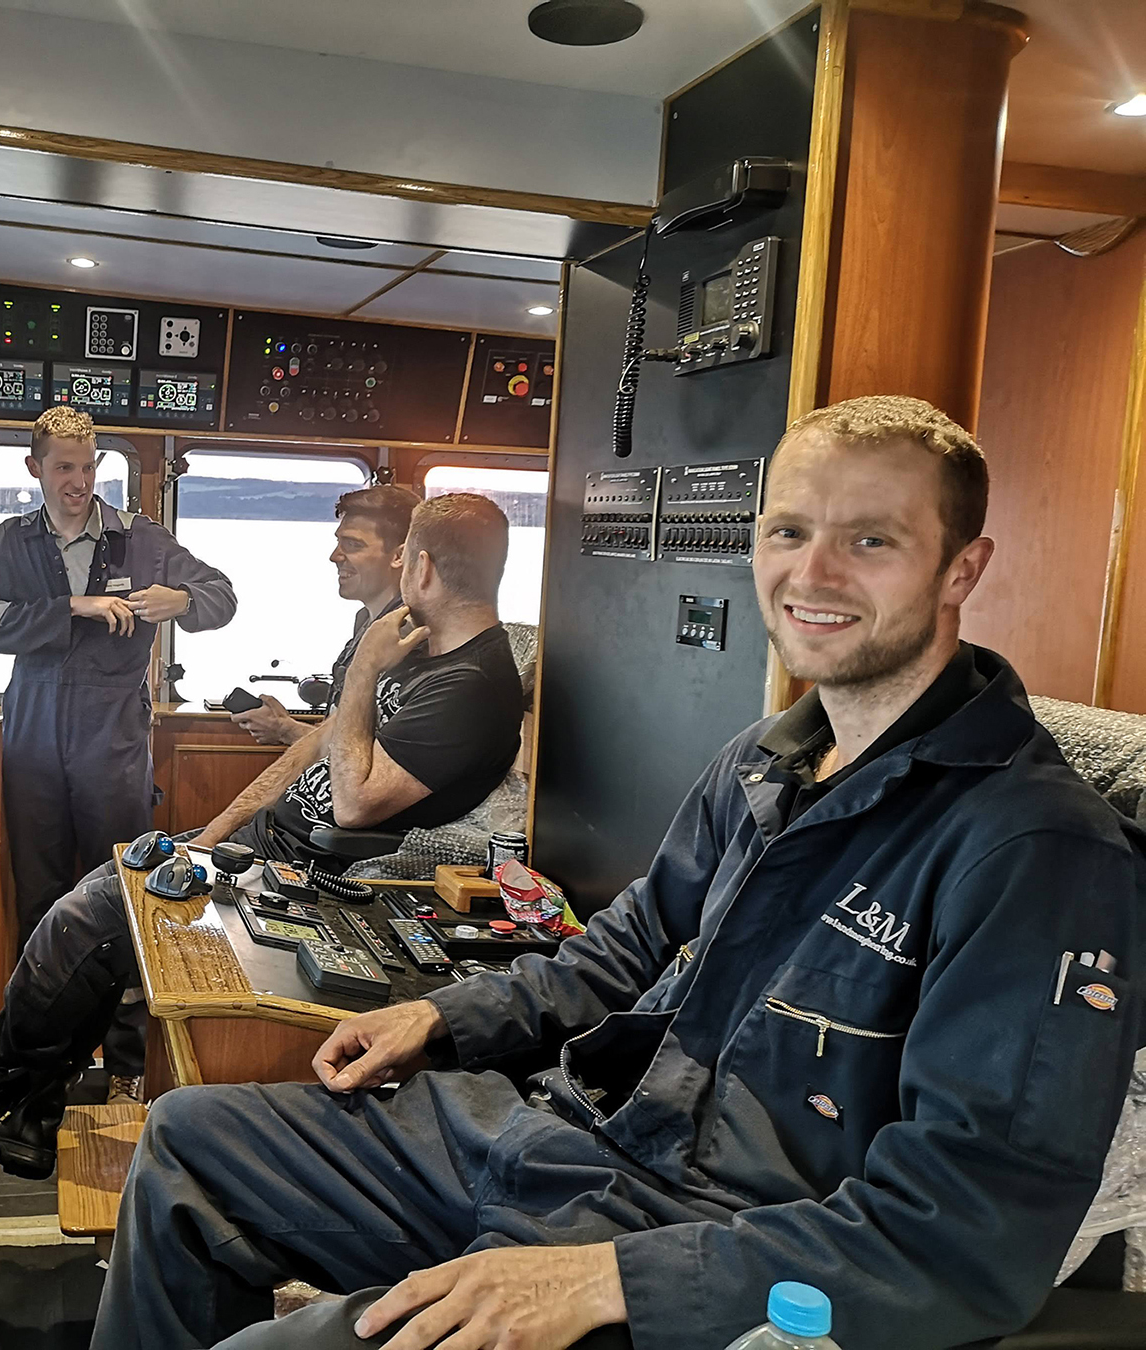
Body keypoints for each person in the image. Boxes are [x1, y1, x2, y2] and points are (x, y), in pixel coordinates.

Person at [89, 395, 1146, 1350]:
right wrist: (448, 1018)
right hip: (577, 1137)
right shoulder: (769, 758)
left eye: (871, 540)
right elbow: (631, 941)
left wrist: (613, 1280)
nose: (812, 574)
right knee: (186, 1140)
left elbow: (967, 1235)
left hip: (716, 1241)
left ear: (961, 568)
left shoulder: (1037, 851)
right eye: (787, 531)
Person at [0, 493, 527, 1177]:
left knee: (84, 918)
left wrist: (363, 669)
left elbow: (357, 804)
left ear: (418, 565)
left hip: (326, 875)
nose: (340, 554)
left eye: (361, 546)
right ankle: (29, 1108)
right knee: (101, 891)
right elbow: (311, 757)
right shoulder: (414, 647)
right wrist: (209, 837)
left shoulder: (473, 682)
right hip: (270, 845)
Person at [0, 406, 236, 944]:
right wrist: (72, 606)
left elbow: (222, 597)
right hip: (32, 734)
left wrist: (180, 599)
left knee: (120, 889)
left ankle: (123, 1024)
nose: (80, 482)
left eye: (88, 467)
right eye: (65, 468)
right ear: (34, 468)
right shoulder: (11, 542)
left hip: (112, 736)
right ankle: (40, 1024)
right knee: (38, 891)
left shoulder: (143, 539)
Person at [231, 485, 420, 747]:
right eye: (338, 542)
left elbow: (377, 758)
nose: (335, 556)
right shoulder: (365, 621)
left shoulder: (408, 637)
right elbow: (349, 730)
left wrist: (286, 730)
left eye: (353, 545)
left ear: (399, 555)